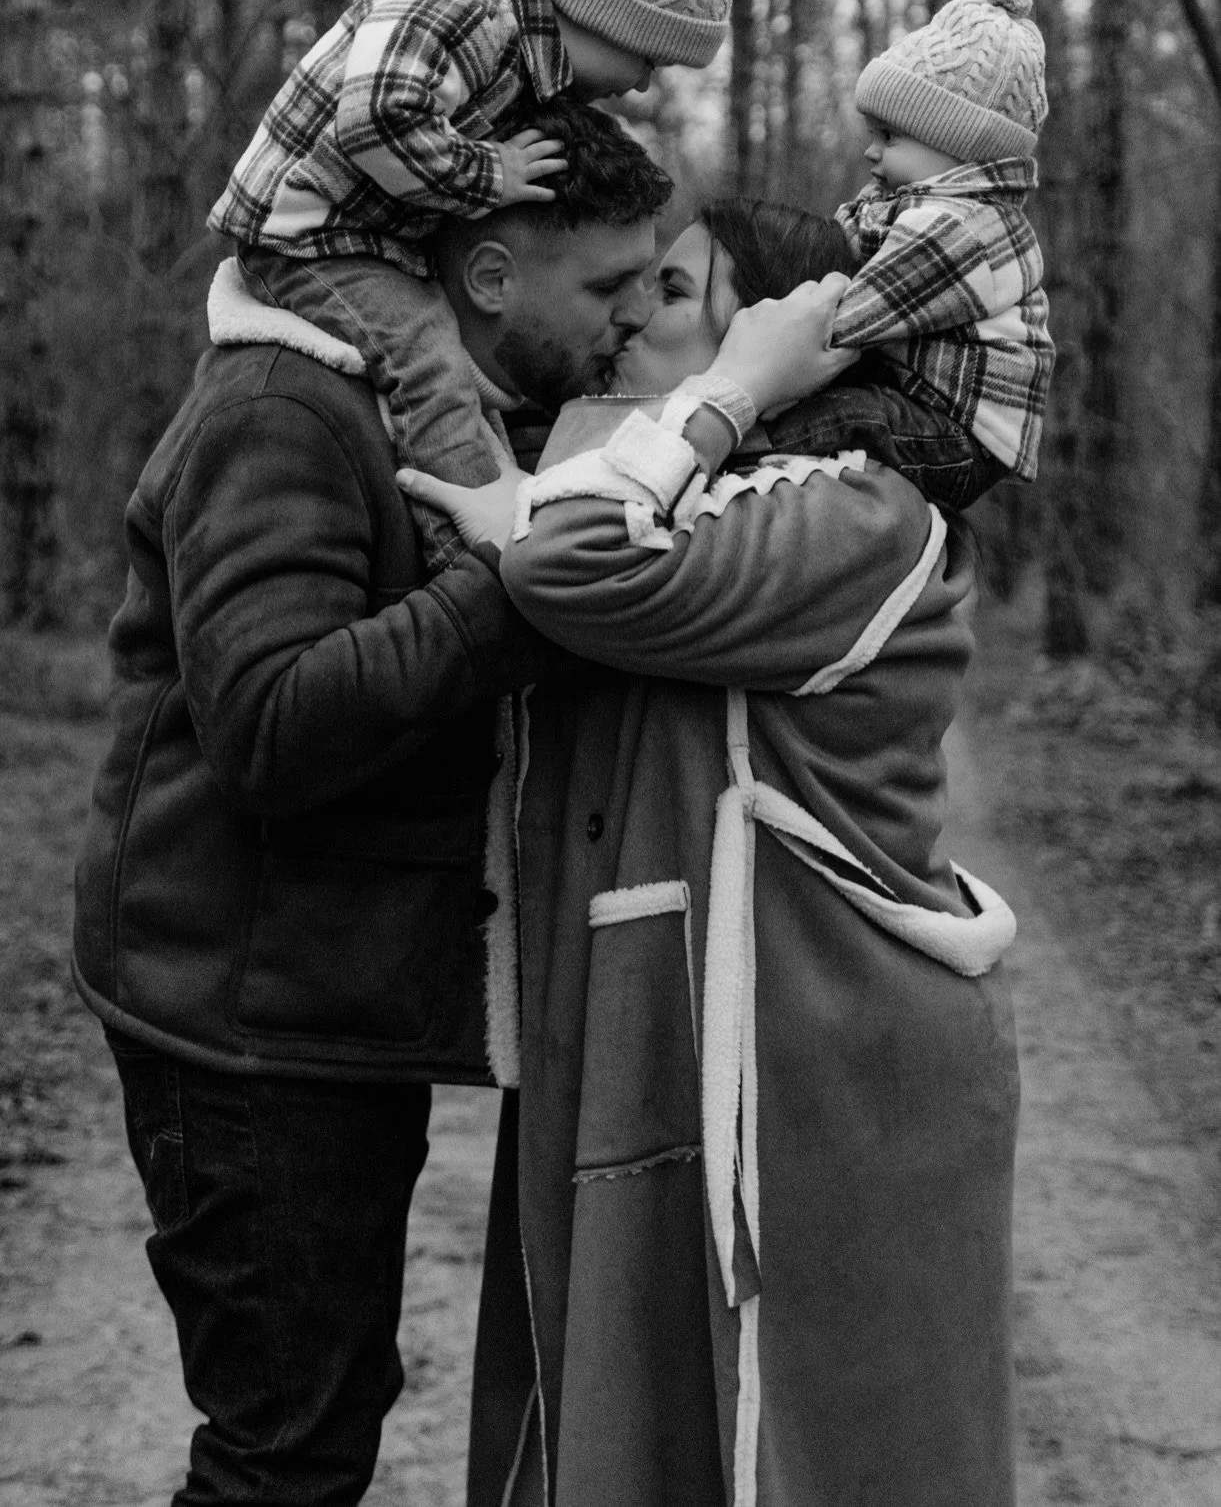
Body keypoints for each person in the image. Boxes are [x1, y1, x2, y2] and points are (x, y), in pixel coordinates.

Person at [72, 101, 707, 1505]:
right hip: (239, 1018)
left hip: (325, 1005)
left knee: (322, 1411)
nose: (629, 316)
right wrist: (517, 587)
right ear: (488, 274)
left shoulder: (466, 424)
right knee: (282, 1452)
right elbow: (270, 726)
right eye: (605, 285)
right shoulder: (286, 409)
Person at [404, 200, 1022, 1507]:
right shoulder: (699, 490)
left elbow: (564, 558)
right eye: (625, 284)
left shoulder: (851, 512)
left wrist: (734, 385)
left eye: (676, 291)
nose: (629, 315)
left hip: (818, 1078)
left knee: (796, 1454)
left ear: (793, 339)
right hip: (681, 1053)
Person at [206, 0, 732, 569]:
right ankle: (475, 548)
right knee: (427, 363)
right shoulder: (468, 7)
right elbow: (375, 118)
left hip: (360, 229)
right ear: (600, 14)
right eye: (648, 58)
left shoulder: (508, 41)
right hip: (308, 234)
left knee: (459, 369)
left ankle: (503, 491)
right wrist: (493, 173)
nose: (643, 83)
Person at [762, 0, 1055, 513]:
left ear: (958, 146)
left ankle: (740, 460)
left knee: (844, 416)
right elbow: (840, 249)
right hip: (925, 406)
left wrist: (759, 366)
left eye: (889, 136)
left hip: (960, 438)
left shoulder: (958, 229)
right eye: (873, 133)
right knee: (848, 404)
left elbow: (850, 319)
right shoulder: (917, 206)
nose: (871, 152)